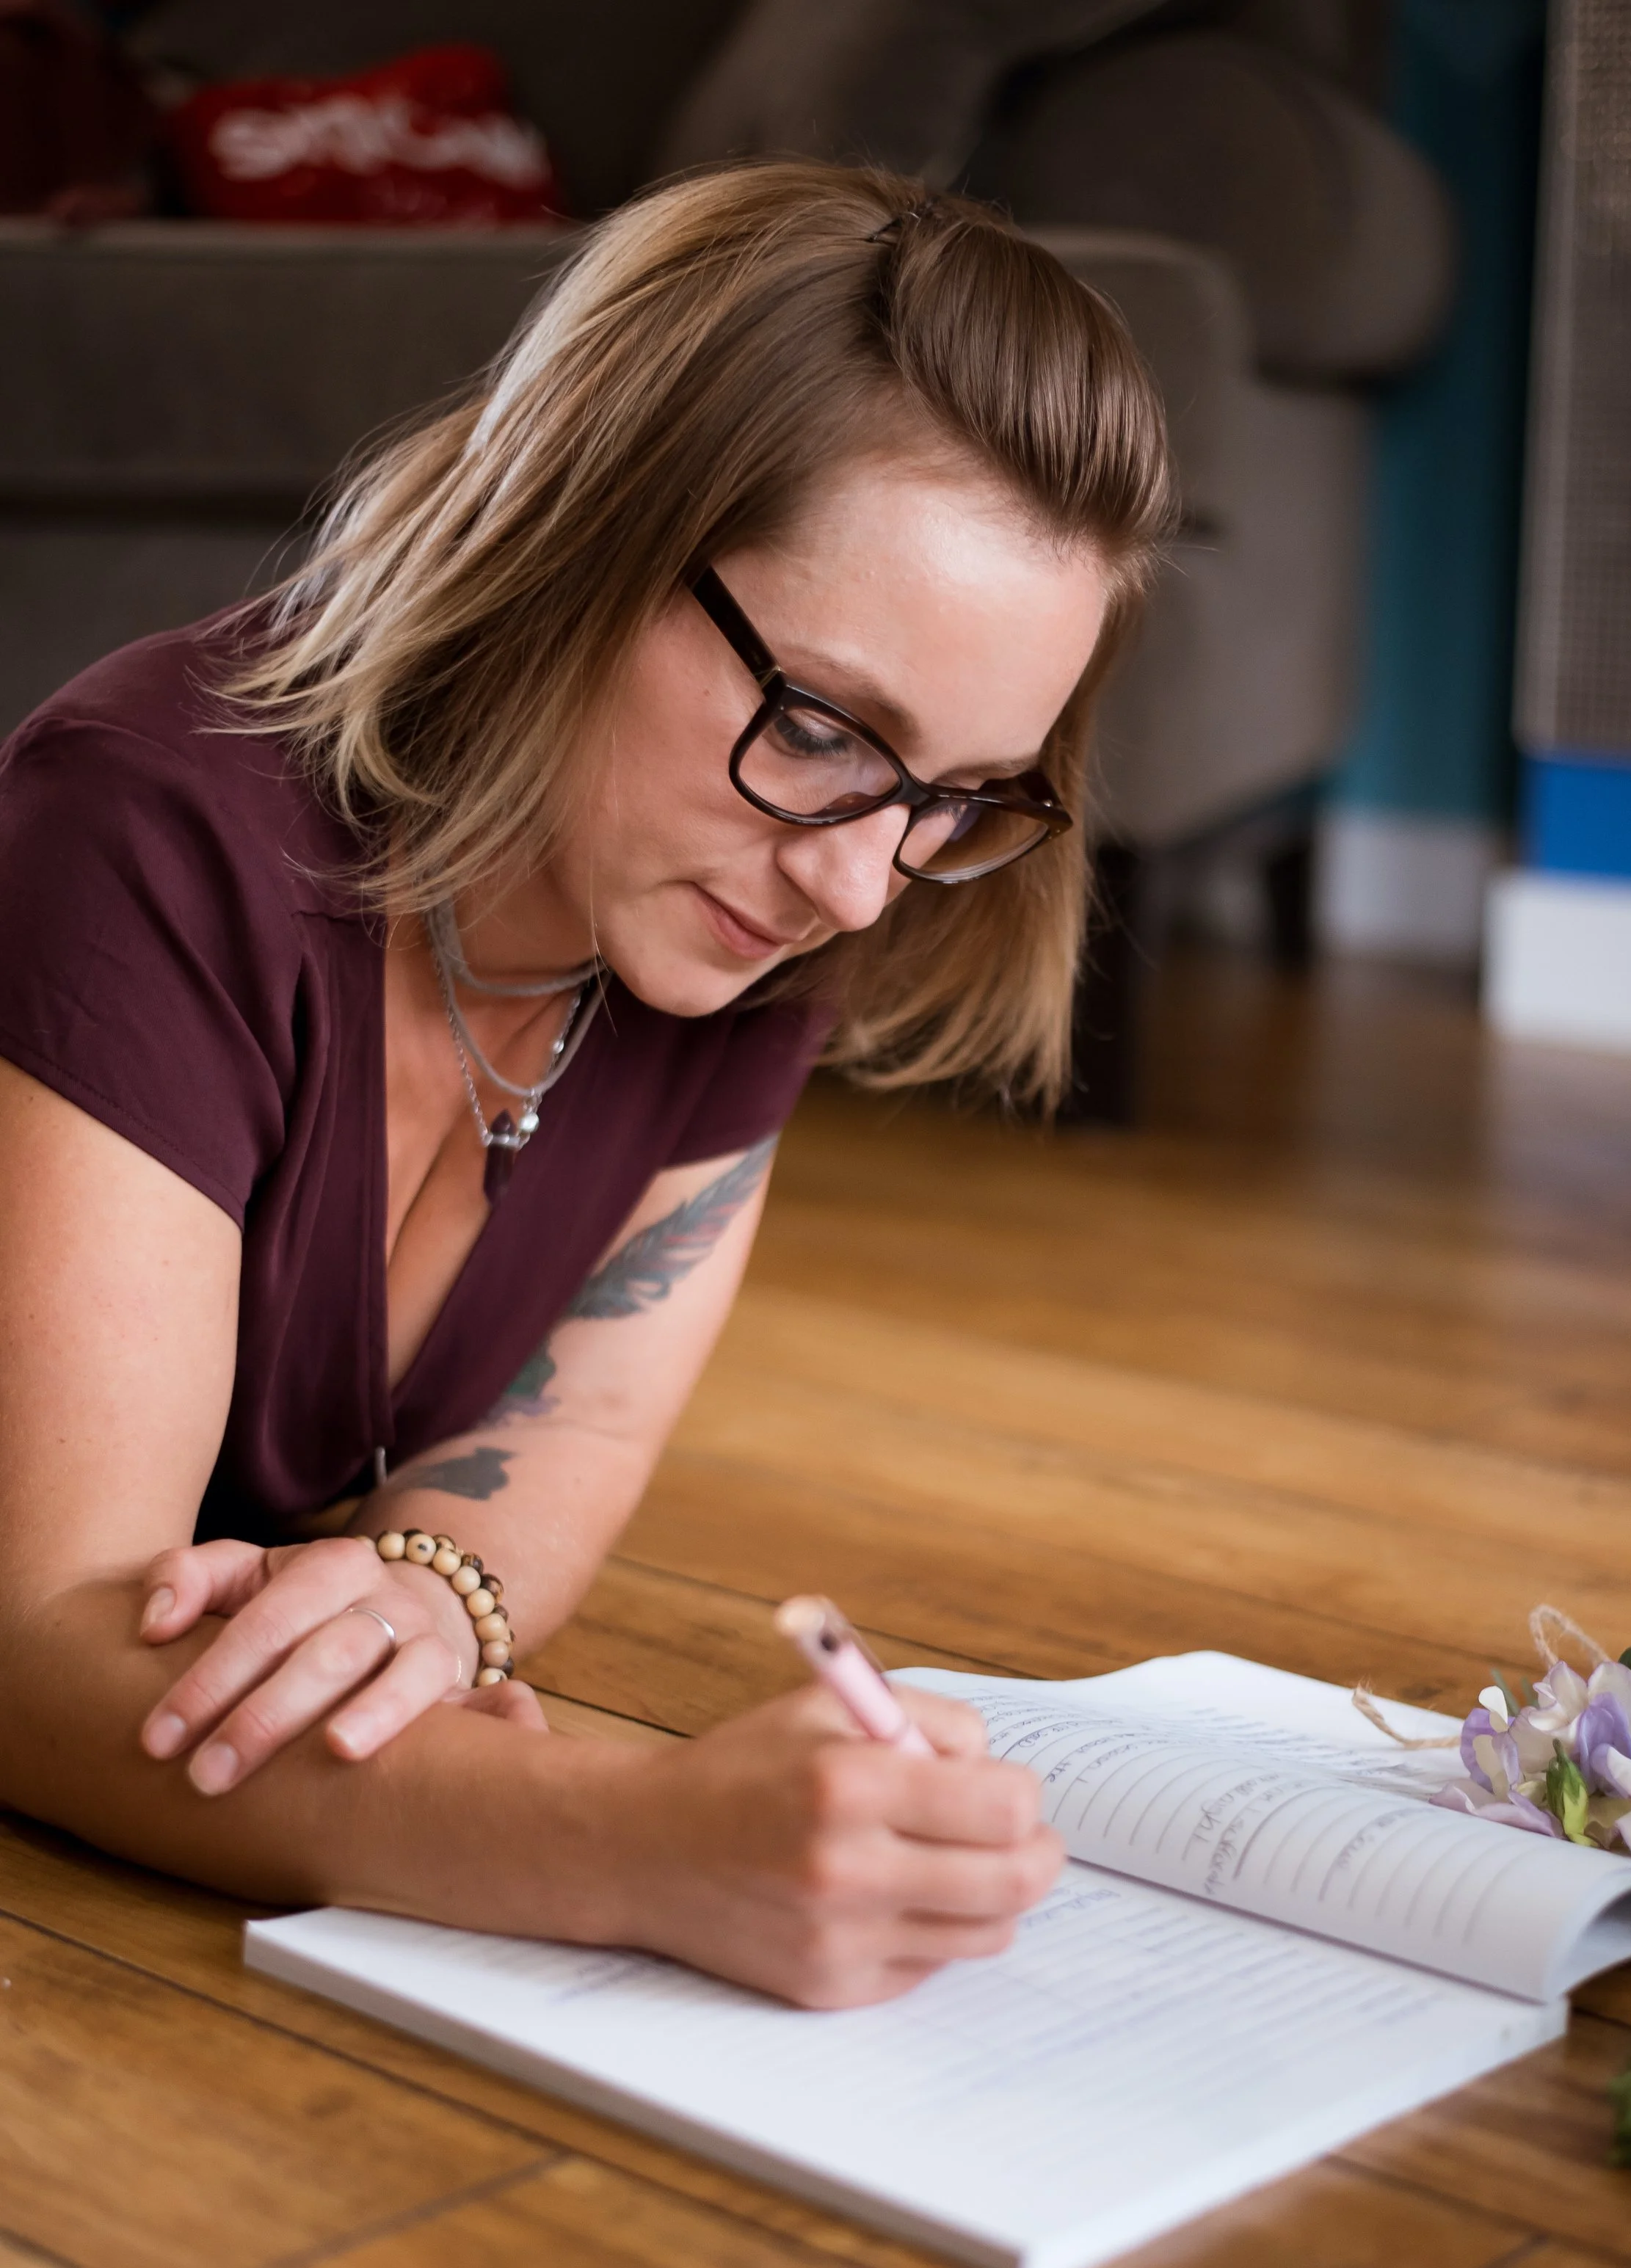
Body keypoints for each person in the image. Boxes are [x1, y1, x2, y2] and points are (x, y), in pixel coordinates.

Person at [0, 161, 1172, 2006]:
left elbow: (563, 1446)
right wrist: (641, 1848)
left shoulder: (740, 903)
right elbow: (39, 1657)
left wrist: (424, 1594)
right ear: (573, 529)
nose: (862, 881)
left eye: (956, 797)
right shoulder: (149, 829)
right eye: (817, 726)